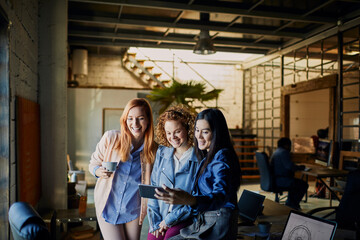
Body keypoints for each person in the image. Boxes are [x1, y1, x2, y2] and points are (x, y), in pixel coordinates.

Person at [155, 108, 241, 240]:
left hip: (217, 222)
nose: (198, 136)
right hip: (204, 219)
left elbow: (220, 196)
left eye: (205, 131)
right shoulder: (208, 156)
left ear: (216, 132)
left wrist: (189, 199)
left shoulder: (222, 157)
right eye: (197, 130)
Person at [89, 98, 157, 240]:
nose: (135, 124)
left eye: (140, 118)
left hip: (133, 210)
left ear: (148, 120)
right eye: (130, 118)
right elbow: (93, 163)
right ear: (125, 120)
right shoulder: (111, 138)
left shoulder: (153, 150)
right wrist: (98, 171)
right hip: (107, 207)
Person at [147, 105, 198, 240]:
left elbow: (195, 200)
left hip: (183, 218)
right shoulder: (162, 152)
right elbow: (153, 189)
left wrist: (168, 221)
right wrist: (155, 223)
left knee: (169, 236)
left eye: (177, 131)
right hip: (160, 218)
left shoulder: (198, 158)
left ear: (188, 129)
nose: (172, 137)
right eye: (168, 133)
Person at [270, 137, 308, 210]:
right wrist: (300, 168)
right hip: (281, 180)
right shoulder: (284, 152)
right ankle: (292, 205)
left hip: (276, 179)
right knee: (303, 184)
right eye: (290, 145)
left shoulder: (277, 151)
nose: (290, 147)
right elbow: (289, 166)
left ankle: (290, 203)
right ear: (286, 145)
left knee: (296, 183)